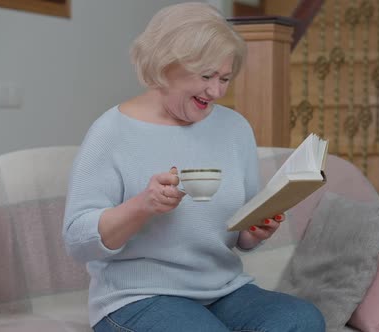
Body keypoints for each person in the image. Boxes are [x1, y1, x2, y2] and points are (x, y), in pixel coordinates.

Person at [62, 2, 325, 331]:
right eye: (206, 76)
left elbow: (237, 234)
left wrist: (252, 231)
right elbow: (77, 241)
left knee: (302, 320)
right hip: (138, 297)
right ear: (166, 64)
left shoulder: (235, 129)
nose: (216, 91)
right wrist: (142, 206)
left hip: (223, 290)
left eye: (225, 78)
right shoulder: (112, 132)